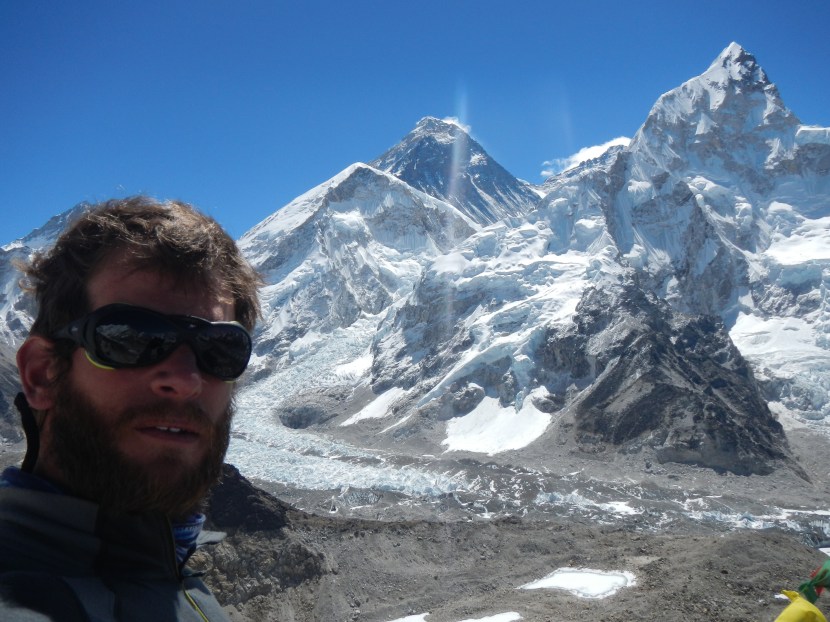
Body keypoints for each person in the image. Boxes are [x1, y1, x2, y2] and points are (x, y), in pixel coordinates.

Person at [0, 196, 261, 621]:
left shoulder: (180, 586)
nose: (185, 378)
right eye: (130, 337)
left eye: (219, 348)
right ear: (42, 374)